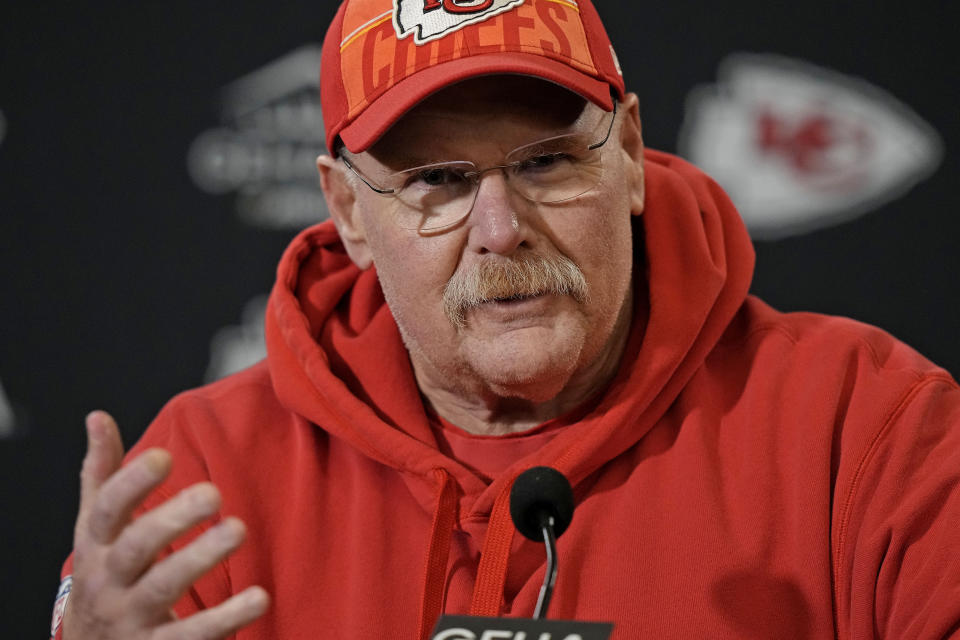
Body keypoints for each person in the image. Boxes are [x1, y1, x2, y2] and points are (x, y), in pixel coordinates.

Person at [53, 0, 960, 638]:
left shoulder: (868, 428)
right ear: (347, 213)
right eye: (437, 182)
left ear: (633, 156)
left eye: (547, 163)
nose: (501, 230)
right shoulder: (208, 479)